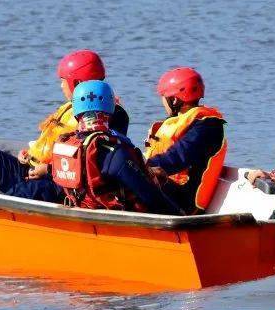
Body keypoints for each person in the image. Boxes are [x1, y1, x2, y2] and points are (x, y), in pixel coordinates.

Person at [0, 50, 129, 201]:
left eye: (63, 81)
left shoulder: (111, 114)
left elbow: (95, 162)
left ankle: (0, 218)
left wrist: (48, 169)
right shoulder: (71, 107)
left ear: (76, 83)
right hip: (32, 169)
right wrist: (29, 154)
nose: (61, 86)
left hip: (61, 181)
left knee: (22, 192)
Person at [51, 80, 181, 215]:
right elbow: (149, 194)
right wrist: (180, 215)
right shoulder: (112, 150)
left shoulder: (65, 144)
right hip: (116, 221)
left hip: (82, 212)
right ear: (110, 106)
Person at [144, 67, 227, 215]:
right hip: (170, 189)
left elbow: (177, 158)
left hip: (184, 203)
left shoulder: (207, 126)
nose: (162, 101)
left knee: (129, 178)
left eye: (163, 96)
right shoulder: (187, 122)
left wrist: (138, 165)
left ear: (174, 99)